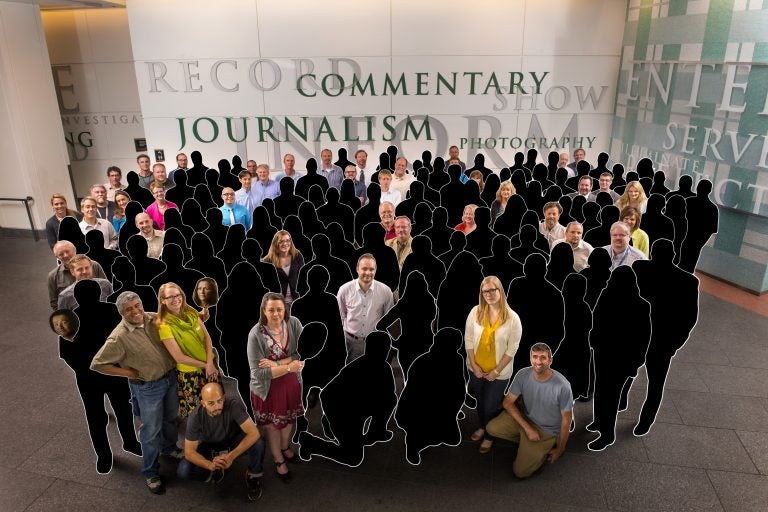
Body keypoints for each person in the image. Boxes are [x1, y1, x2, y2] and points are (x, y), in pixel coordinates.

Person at [91, 291, 181, 494]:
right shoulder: (119, 337)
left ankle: (169, 448)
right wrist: (127, 372)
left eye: (137, 305)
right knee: (151, 430)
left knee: (170, 418)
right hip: (149, 387)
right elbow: (97, 363)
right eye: (129, 309)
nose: (136, 311)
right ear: (122, 313)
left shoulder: (151, 318)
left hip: (170, 379)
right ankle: (151, 472)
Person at [486, 343, 573, 478]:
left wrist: (560, 449)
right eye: (535, 357)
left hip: (546, 431)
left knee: (520, 472)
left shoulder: (562, 386)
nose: (538, 361)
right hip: (527, 420)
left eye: (543, 358)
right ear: (531, 359)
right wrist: (527, 428)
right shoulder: (523, 374)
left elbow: (567, 420)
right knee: (492, 428)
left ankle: (540, 448)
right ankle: (526, 442)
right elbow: (507, 402)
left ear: (550, 360)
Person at [247, 293, 304, 481]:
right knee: (272, 427)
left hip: (290, 385)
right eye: (271, 310)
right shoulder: (256, 334)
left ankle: (285, 447)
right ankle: (279, 461)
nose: (276, 313)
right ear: (264, 311)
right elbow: (258, 373)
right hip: (267, 389)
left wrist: (276, 364)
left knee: (288, 421)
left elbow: (300, 354)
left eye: (279, 309)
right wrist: (288, 367)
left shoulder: (294, 323)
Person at [178, 382, 265, 501]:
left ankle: (253, 476)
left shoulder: (233, 405)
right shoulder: (196, 416)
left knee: (258, 442)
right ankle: (213, 472)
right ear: (203, 403)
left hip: (231, 442)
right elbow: (189, 451)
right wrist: (209, 465)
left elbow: (254, 433)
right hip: (209, 447)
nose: (217, 407)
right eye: (211, 403)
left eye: (219, 401)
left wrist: (230, 457)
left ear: (223, 398)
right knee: (183, 470)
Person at [465, 276, 522, 454]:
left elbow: (512, 349)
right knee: (480, 401)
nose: (488, 294)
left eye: (492, 290)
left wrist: (496, 371)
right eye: (484, 291)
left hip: (498, 372)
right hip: (476, 369)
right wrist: (474, 365)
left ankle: (490, 434)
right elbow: (468, 339)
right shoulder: (476, 312)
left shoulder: (513, 318)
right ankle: (483, 426)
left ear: (500, 291)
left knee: (491, 404)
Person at [156, 282, 219, 418]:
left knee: (216, 404)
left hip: (209, 368)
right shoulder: (164, 325)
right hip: (190, 375)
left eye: (178, 295)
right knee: (197, 413)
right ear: (163, 301)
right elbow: (179, 357)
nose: (175, 299)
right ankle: (200, 438)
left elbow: (207, 339)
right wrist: (206, 365)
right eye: (170, 297)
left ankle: (217, 433)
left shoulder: (191, 314)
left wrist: (209, 363)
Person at [337, 254, 394, 363]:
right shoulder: (344, 290)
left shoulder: (386, 291)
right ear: (357, 269)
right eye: (364, 269)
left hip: (376, 344)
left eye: (371, 269)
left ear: (376, 270)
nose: (368, 273)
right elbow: (341, 316)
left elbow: (388, 320)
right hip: (350, 343)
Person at [47, 241, 107, 309]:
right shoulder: (53, 276)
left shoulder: (94, 265)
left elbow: (104, 288)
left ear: (74, 250)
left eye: (67, 251)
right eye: (61, 254)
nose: (65, 255)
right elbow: (54, 303)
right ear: (57, 257)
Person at [263, 230, 304, 309]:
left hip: (296, 300)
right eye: (281, 241)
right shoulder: (268, 261)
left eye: (288, 240)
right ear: (276, 244)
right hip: (277, 303)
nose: (285, 244)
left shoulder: (297, 256)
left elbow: (303, 278)